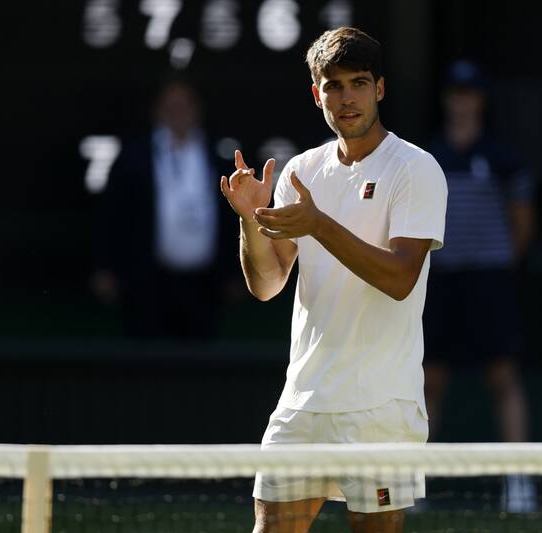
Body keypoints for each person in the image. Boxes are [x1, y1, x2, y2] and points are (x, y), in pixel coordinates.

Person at [219, 27, 447, 533]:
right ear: (316, 93)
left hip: (382, 409)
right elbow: (267, 283)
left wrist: (319, 224)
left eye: (359, 83)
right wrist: (250, 220)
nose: (347, 98)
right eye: (335, 85)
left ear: (380, 89)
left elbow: (400, 278)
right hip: (303, 402)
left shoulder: (416, 169)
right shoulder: (303, 169)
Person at [423, 60, 536, 513]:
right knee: (429, 381)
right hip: (442, 281)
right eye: (455, 93)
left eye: (469, 93)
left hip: (490, 281)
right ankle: (416, 483)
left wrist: (497, 261)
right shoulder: (428, 160)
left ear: (480, 101)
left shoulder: (506, 160)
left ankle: (519, 484)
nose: (461, 101)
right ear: (447, 99)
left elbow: (523, 225)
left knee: (503, 378)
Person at [93, 75, 235, 338]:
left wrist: (234, 272)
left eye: (184, 106)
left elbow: (233, 216)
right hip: (146, 283)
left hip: (204, 286)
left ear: (197, 109)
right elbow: (113, 214)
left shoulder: (218, 156)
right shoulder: (133, 156)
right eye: (171, 106)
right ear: (158, 110)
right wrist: (106, 267)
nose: (178, 113)